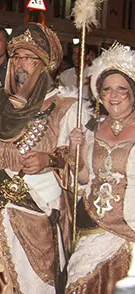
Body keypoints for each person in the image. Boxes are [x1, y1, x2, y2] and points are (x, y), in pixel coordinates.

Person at [0, 23, 87, 293]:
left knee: (33, 280)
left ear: (44, 65)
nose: (21, 63)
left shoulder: (65, 107)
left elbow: (78, 167)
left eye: (30, 58)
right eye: (17, 56)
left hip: (38, 207)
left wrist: (49, 160)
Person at [66, 43, 135, 293]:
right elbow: (84, 179)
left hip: (129, 233)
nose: (113, 96)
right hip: (92, 227)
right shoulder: (93, 127)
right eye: (106, 89)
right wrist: (77, 153)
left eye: (121, 89)